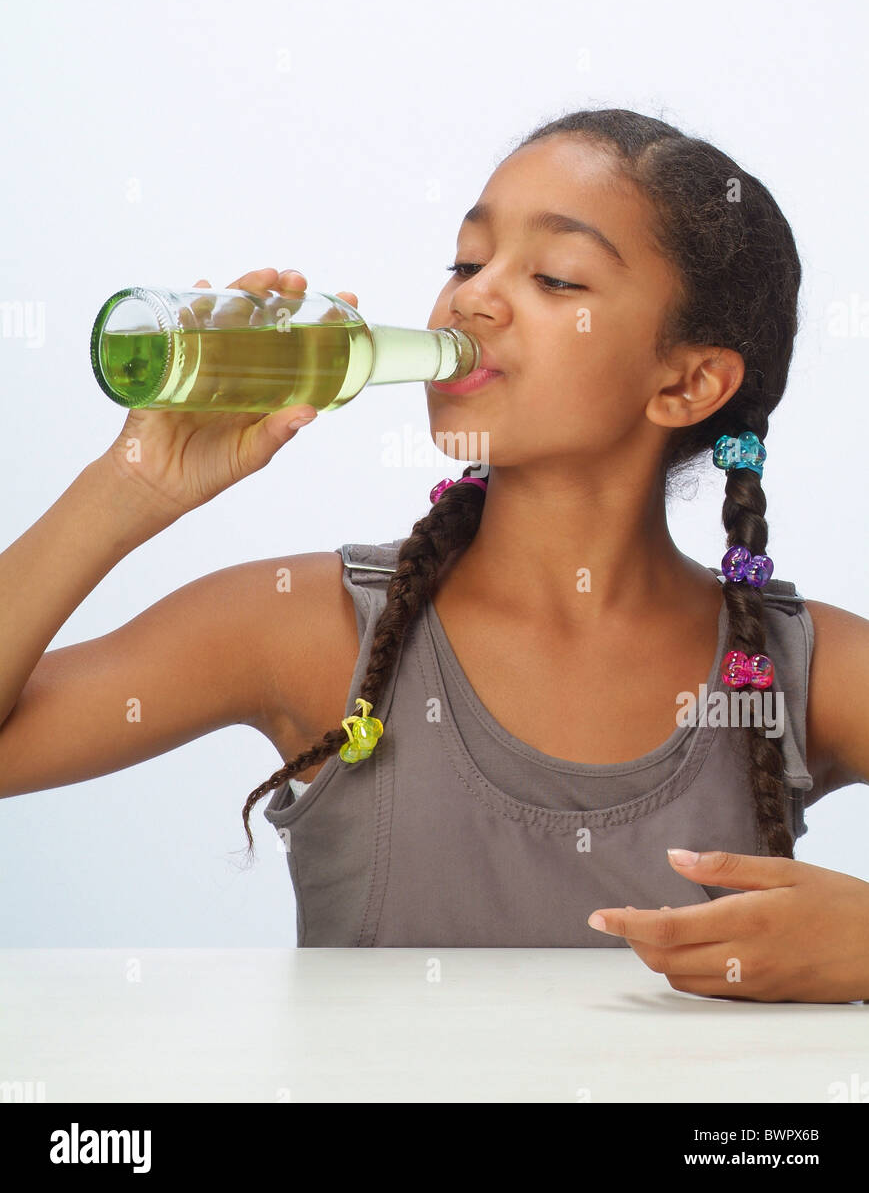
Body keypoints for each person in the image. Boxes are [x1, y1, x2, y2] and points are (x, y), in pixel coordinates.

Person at [2, 108, 868, 1001]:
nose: (472, 297)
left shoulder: (807, 669)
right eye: (466, 261)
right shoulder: (303, 625)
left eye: (555, 279)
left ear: (687, 383)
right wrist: (130, 487)